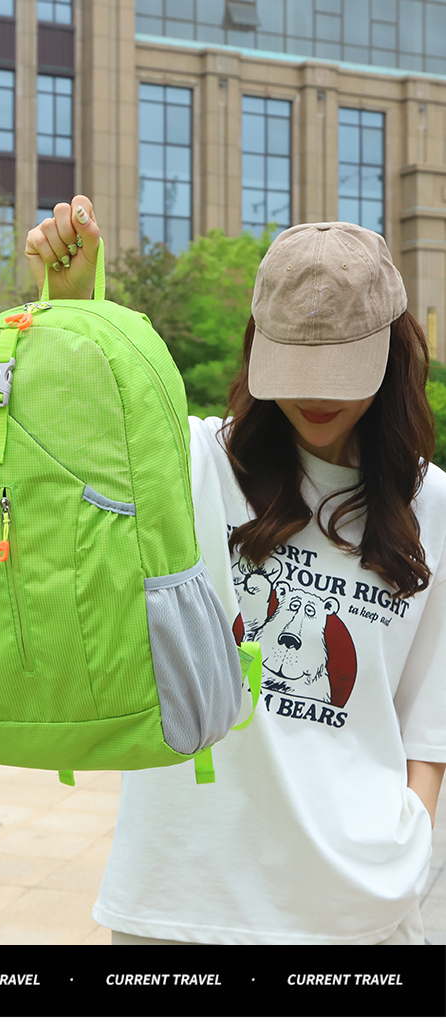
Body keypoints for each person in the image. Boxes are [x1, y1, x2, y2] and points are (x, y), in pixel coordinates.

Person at [25, 197, 446, 945]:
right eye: (296, 364)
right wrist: (73, 308)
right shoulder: (193, 462)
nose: (315, 393)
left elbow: (428, 721)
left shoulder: (431, 504)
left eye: (341, 368)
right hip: (178, 900)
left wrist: (409, 834)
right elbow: (64, 446)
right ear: (258, 349)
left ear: (391, 352)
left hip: (360, 911)